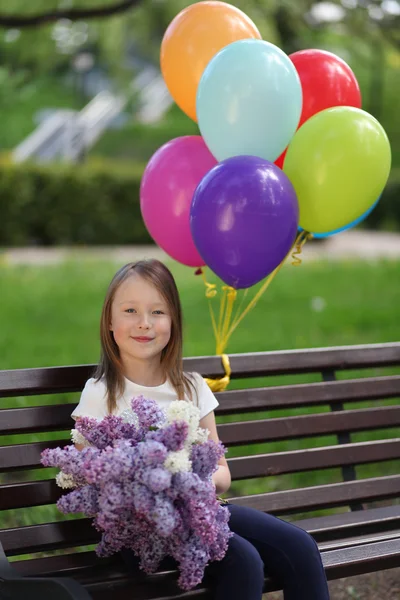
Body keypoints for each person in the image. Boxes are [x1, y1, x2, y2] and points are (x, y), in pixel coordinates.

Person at [71, 259, 330, 600]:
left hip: (203, 509)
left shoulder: (191, 387)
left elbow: (222, 471)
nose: (144, 323)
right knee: (244, 561)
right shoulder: (101, 393)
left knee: (299, 547)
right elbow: (84, 471)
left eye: (158, 312)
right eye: (130, 310)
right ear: (109, 321)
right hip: (144, 531)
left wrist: (191, 485)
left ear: (174, 320)